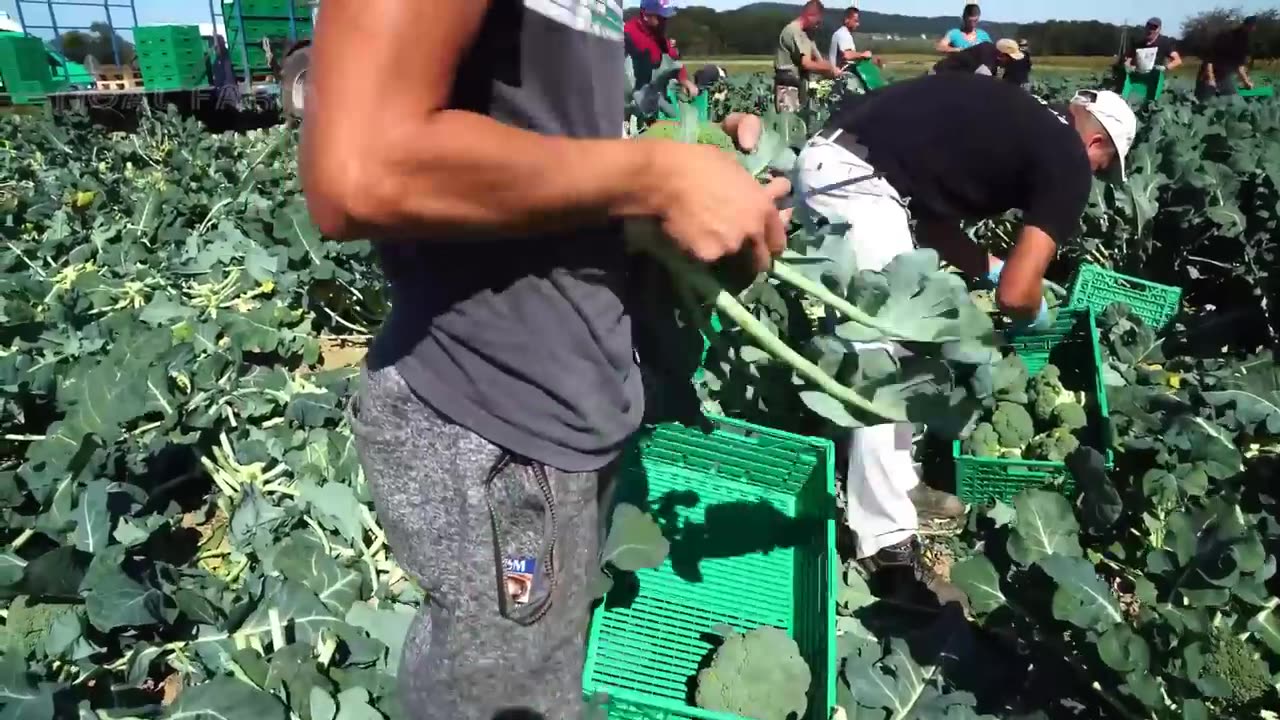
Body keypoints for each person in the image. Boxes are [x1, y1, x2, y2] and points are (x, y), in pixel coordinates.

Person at [299, 2, 792, 718]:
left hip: (568, 407)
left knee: (552, 673)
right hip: (496, 415)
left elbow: (545, 144)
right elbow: (358, 169)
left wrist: (699, 173)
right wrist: (654, 175)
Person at [793, 74, 1136, 605]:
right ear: (1097, 145)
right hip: (858, 182)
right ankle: (887, 547)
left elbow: (938, 233)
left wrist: (997, 270)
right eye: (1104, 168)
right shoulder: (1069, 162)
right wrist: (1032, 308)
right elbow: (1018, 297)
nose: (1095, 179)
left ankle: (897, 483)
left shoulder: (1024, 127)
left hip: (839, 162)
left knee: (901, 348)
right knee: (887, 360)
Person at [774, 0, 842, 113]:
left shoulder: (807, 35)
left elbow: (818, 59)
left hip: (800, 86)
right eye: (817, 21)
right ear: (810, 15)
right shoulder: (793, 31)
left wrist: (833, 69)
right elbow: (806, 63)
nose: (818, 25)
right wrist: (830, 68)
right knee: (790, 124)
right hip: (788, 88)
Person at [625, 0, 699, 98]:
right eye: (660, 17)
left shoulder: (657, 35)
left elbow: (671, 58)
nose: (665, 21)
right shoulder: (628, 34)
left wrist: (684, 79)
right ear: (645, 16)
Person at [1197, 15, 1258, 100]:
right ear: (1244, 25)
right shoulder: (1226, 37)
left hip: (1223, 75)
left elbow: (1239, 65)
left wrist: (1246, 82)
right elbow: (1209, 59)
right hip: (1207, 73)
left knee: (1230, 98)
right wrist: (1211, 78)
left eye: (1254, 27)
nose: (1253, 29)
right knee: (1205, 100)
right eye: (1251, 26)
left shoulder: (1244, 41)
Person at [930, 38, 1023, 77]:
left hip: (951, 79)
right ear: (1002, 54)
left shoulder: (994, 57)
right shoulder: (987, 57)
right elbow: (984, 83)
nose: (1011, 61)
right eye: (1011, 58)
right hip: (938, 76)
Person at [829, 7, 873, 71]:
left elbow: (851, 58)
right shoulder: (843, 34)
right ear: (847, 20)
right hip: (841, 75)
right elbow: (847, 55)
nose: (858, 24)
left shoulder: (844, 33)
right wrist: (863, 54)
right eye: (856, 21)